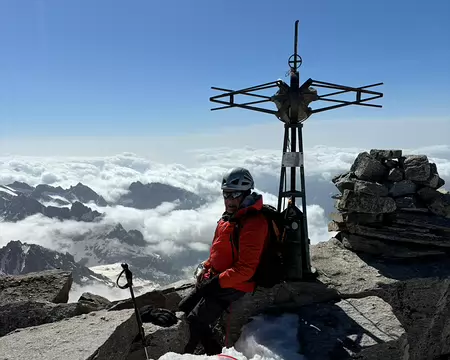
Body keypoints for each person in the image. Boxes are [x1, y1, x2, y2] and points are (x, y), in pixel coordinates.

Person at [178, 167, 269, 355]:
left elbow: (246, 270)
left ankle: (207, 353)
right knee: (183, 308)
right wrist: (207, 267)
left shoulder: (253, 223)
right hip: (218, 278)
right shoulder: (229, 218)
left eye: (233, 194)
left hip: (236, 284)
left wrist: (216, 282)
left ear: (245, 194)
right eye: (225, 194)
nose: (228, 199)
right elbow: (219, 251)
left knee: (196, 320)